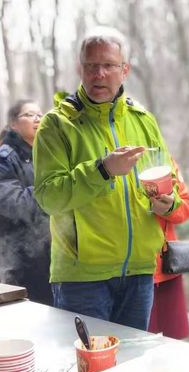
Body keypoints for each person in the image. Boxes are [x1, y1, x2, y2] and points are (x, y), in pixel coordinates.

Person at [33, 26, 181, 330]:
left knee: (129, 370)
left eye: (108, 65)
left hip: (140, 272)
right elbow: (48, 196)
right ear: (80, 69)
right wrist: (102, 171)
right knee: (87, 370)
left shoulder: (143, 119)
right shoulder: (57, 124)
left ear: (124, 70)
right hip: (83, 278)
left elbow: (170, 182)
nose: (99, 74)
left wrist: (168, 203)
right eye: (91, 66)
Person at [0, 100, 52, 305]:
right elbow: (10, 203)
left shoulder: (42, 156)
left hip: (43, 260)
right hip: (14, 264)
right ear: (13, 124)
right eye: (30, 114)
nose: (38, 118)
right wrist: (50, 192)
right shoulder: (4, 159)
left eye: (40, 114)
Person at [149, 161, 189, 339]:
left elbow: (185, 207)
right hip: (129, 271)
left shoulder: (164, 162)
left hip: (167, 265)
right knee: (136, 343)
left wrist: (169, 208)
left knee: (174, 341)